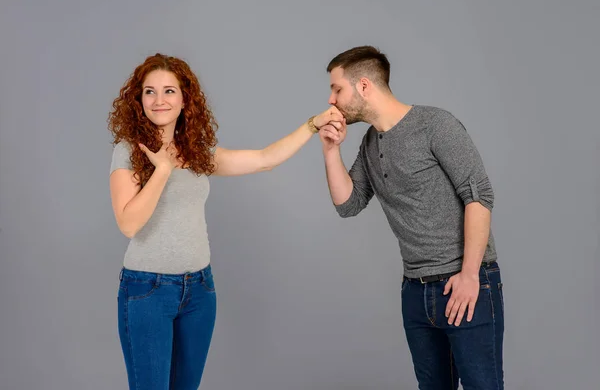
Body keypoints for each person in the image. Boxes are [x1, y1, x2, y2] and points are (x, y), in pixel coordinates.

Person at [107, 53, 343, 390]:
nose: (160, 100)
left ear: (185, 98)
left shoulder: (196, 152)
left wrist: (312, 125)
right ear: (138, 99)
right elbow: (129, 223)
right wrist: (161, 171)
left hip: (199, 291)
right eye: (150, 91)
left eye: (170, 91)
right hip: (147, 291)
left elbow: (264, 160)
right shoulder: (129, 149)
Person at [318, 46, 504, 389]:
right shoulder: (371, 143)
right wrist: (331, 150)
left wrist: (469, 275)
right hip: (416, 291)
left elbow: (479, 197)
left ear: (362, 86)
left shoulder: (435, 124)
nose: (331, 100)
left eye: (337, 89)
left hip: (464, 283)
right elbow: (349, 204)